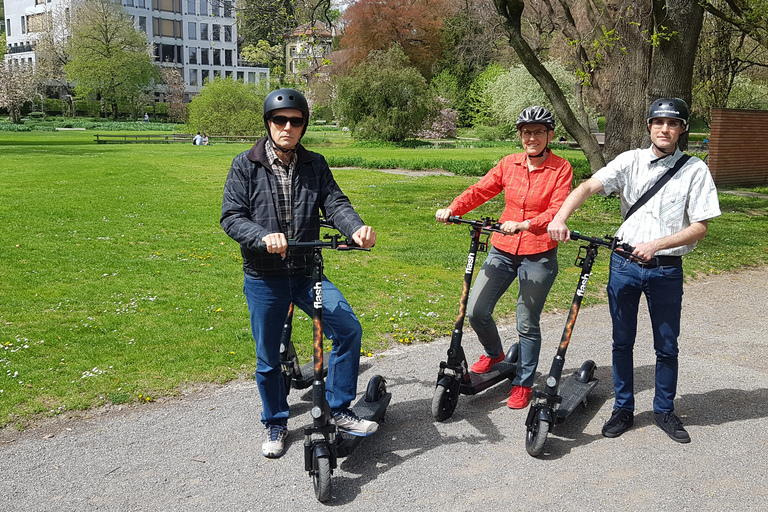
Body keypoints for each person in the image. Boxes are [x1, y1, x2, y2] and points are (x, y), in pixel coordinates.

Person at [547, 98, 721, 443]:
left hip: (665, 269)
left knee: (667, 345)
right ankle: (623, 409)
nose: (665, 129)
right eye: (658, 122)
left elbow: (700, 227)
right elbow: (586, 187)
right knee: (622, 342)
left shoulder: (695, 170)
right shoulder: (630, 161)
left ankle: (664, 411)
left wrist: (657, 245)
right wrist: (560, 217)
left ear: (682, 129)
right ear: (649, 126)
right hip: (624, 265)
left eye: (673, 123)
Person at [221, 88, 379, 459]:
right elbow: (231, 216)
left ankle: (339, 409)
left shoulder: (314, 164)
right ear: (268, 124)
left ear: (303, 125)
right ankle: (275, 420)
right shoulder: (245, 164)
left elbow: (335, 203)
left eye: (295, 121)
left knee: (347, 328)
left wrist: (354, 228)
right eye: (280, 120)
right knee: (268, 355)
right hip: (265, 277)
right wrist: (262, 236)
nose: (287, 127)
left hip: (307, 273)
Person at [435, 106, 573, 409]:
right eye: (526, 132)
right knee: (476, 310)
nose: (532, 137)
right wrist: (454, 208)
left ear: (549, 135)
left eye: (538, 131)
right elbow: (481, 190)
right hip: (503, 247)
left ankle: (523, 381)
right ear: (520, 135)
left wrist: (526, 224)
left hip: (538, 252)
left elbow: (557, 210)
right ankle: (495, 353)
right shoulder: (509, 164)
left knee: (526, 321)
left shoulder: (561, 168)